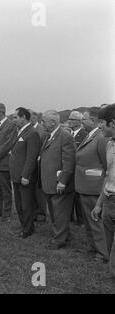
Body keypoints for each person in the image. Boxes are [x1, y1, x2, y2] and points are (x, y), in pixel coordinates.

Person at [75, 109, 109, 263]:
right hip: (84, 185)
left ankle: (103, 253)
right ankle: (92, 247)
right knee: (89, 220)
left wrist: (97, 178)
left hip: (93, 187)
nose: (82, 122)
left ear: (94, 121)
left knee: (95, 221)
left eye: (84, 119)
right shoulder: (90, 135)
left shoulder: (101, 138)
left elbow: (106, 165)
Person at [40, 110, 76, 250]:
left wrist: (63, 181)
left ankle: (59, 240)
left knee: (60, 213)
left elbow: (69, 161)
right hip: (49, 182)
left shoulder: (65, 136)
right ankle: (64, 235)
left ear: (53, 122)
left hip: (59, 183)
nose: (42, 123)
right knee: (55, 212)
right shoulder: (48, 136)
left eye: (44, 121)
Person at [91, 104, 115, 279]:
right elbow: (107, 176)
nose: (99, 127)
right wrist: (99, 204)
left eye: (102, 123)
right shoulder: (109, 145)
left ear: (112, 123)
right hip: (108, 202)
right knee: (108, 245)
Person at [10, 107, 41, 238]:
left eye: (15, 117)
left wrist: (25, 175)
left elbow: (31, 157)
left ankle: (27, 229)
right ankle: (25, 226)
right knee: (18, 204)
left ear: (23, 117)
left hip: (24, 177)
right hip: (16, 176)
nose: (13, 120)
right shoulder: (20, 132)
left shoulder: (32, 133)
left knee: (26, 204)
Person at [68, 111, 88, 226]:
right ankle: (70, 217)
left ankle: (81, 220)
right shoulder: (69, 133)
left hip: (78, 169)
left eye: (72, 119)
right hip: (70, 170)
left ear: (78, 122)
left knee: (78, 197)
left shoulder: (84, 134)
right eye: (69, 119)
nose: (69, 121)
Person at [30, 110, 47, 222]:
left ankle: (41, 212)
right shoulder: (29, 129)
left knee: (39, 190)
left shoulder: (41, 129)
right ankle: (34, 211)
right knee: (32, 189)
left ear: (34, 118)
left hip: (39, 163)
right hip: (31, 163)